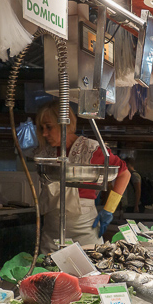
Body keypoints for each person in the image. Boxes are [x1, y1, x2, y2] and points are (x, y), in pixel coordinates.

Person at [35, 101, 130, 253]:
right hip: (52, 230)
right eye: (41, 128)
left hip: (84, 229)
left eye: (49, 127)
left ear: (65, 123)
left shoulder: (92, 149)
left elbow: (124, 173)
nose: (45, 134)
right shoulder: (46, 153)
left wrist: (109, 209)